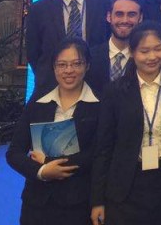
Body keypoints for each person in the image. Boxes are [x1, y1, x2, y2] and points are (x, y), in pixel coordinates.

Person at [90, 21, 161, 225]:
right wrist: (97, 200)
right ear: (132, 52)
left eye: (158, 49)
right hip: (126, 184)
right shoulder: (115, 91)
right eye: (144, 51)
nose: (152, 57)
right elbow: (104, 148)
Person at [6, 36, 101, 225]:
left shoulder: (100, 106)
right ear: (54, 67)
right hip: (37, 203)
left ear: (87, 66)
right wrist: (41, 170)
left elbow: (97, 155)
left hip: (79, 204)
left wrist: (49, 161)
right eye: (62, 65)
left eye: (76, 64)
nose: (69, 71)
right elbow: (14, 153)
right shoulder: (38, 104)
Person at [25, 0, 112, 96]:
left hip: (97, 88)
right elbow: (34, 53)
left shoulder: (107, 3)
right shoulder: (39, 9)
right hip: (51, 88)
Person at [87, 0, 143, 98]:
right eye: (119, 14)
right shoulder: (89, 56)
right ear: (109, 17)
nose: (125, 20)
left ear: (140, 18)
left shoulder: (147, 59)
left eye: (131, 15)